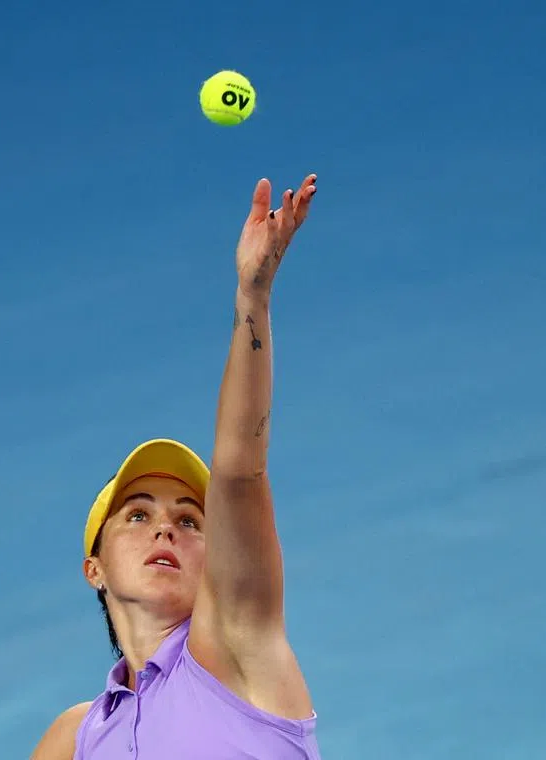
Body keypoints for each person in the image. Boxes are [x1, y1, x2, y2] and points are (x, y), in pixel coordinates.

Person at [30, 174, 321, 760]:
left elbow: (239, 469)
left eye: (191, 521)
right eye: (136, 516)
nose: (166, 528)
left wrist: (252, 297)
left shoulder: (236, 642)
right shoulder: (76, 737)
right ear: (94, 568)